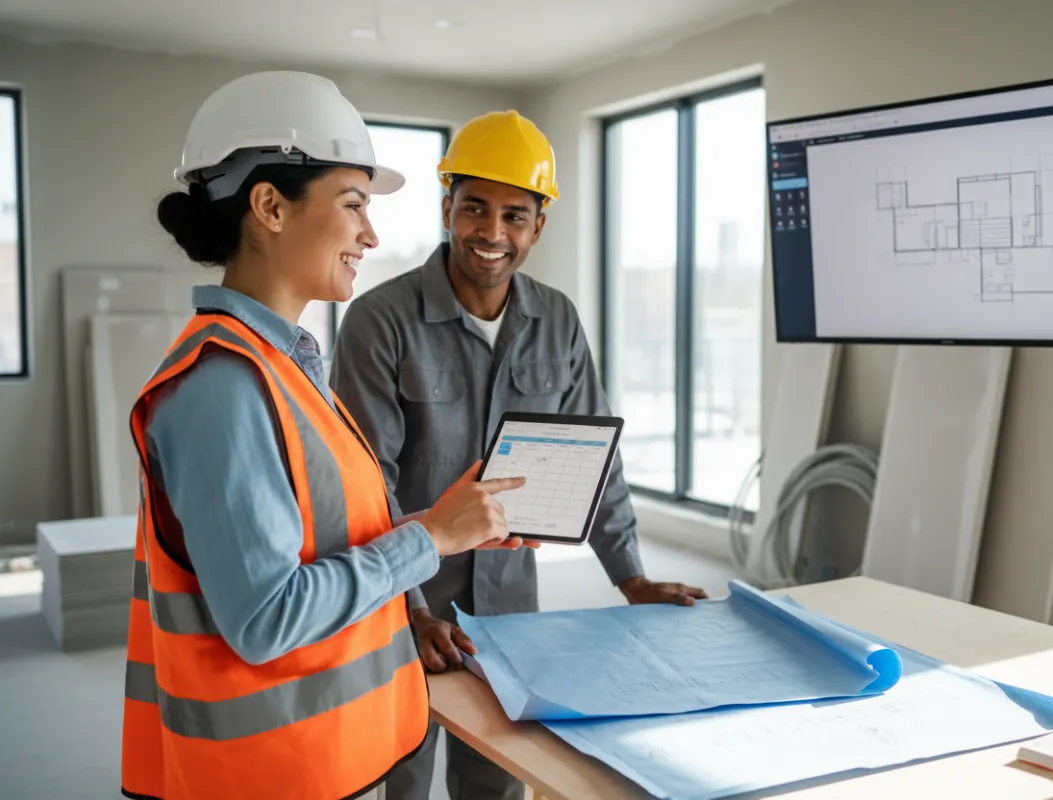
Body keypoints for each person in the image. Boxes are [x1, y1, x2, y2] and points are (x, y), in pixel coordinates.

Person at [119, 72, 535, 800]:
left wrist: (446, 525)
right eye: (353, 205)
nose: (371, 235)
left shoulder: (282, 366)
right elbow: (266, 618)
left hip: (319, 762)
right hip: (267, 777)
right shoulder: (222, 385)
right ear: (270, 207)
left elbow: (322, 538)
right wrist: (430, 540)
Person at [328, 109, 710, 800]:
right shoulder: (379, 320)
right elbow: (364, 484)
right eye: (475, 208)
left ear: (539, 226)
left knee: (498, 780)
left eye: (514, 215)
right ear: (447, 209)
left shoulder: (557, 320)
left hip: (509, 607)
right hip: (402, 606)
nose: (492, 233)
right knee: (401, 776)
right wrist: (410, 609)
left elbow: (597, 460)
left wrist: (631, 579)